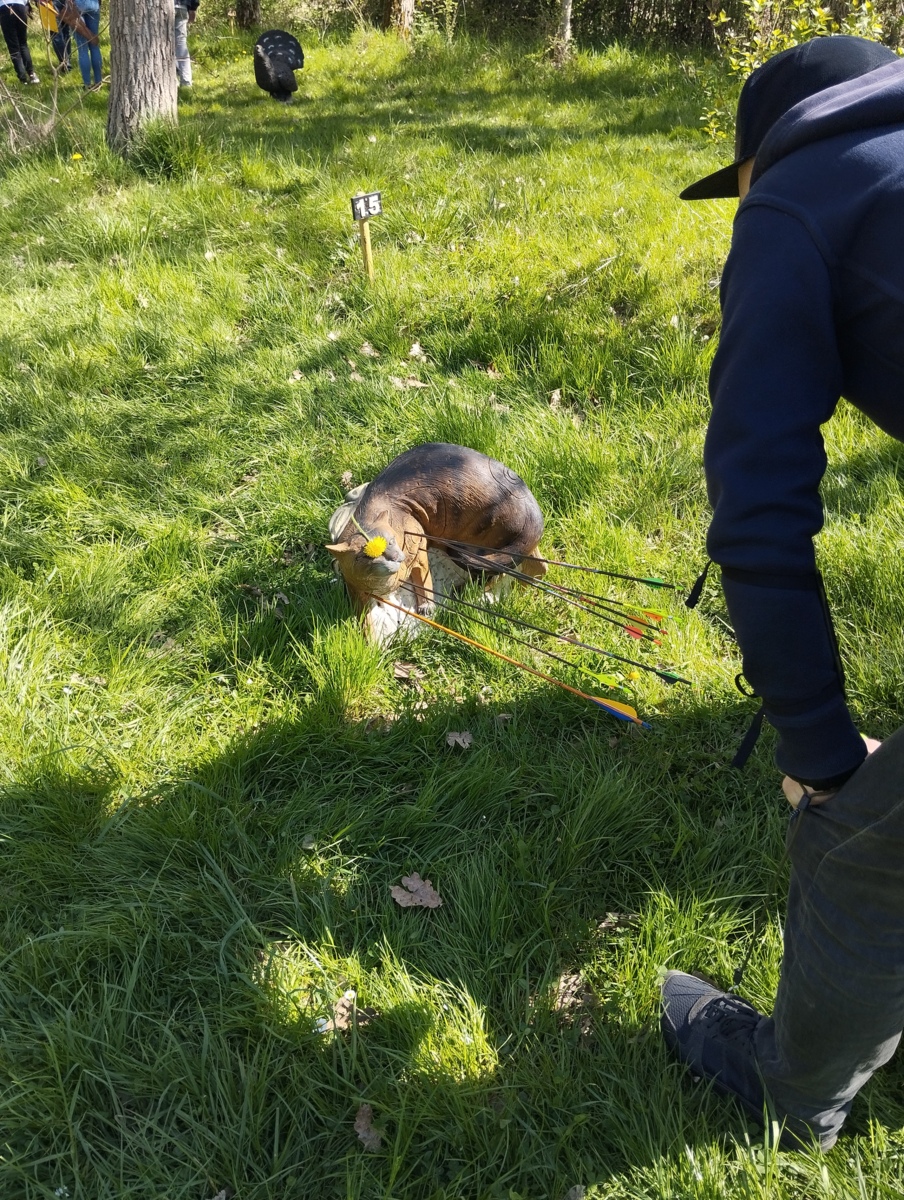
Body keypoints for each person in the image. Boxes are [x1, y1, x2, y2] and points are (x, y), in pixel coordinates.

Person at [660, 35, 904, 1151]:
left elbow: (759, 515)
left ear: (761, 154)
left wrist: (821, 759)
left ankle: (793, 1095)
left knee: (870, 851)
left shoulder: (794, 197)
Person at [0, 0, 40, 84]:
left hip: (5, 8)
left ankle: (23, 78)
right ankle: (31, 74)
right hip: (20, 7)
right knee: (23, 43)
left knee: (13, 46)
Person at [63, 0, 100, 89]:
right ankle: (98, 81)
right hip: (93, 4)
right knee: (94, 45)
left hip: (76, 5)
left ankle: (87, 84)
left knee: (82, 48)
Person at [174, 0, 198, 88]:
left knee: (161, 44)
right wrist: (193, 7)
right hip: (182, 5)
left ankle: (173, 81)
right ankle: (186, 81)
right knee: (181, 44)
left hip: (161, 8)